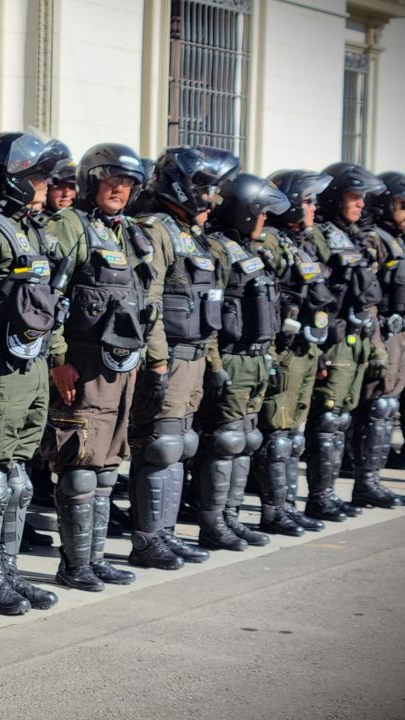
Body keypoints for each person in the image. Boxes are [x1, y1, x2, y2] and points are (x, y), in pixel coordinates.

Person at [0, 130, 69, 615]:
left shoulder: (33, 230)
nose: (46, 184)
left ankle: (10, 575)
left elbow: (48, 307)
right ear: (14, 179)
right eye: (38, 176)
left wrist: (57, 358)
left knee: (20, 480)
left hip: (32, 366)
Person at [41, 142, 151, 591]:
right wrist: (59, 359)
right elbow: (47, 296)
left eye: (126, 184)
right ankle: (74, 565)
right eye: (112, 181)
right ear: (92, 180)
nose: (119, 190)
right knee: (81, 464)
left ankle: (95, 557)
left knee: (107, 467)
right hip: (82, 365)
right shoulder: (70, 225)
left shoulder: (126, 231)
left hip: (120, 367)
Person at [129, 145, 240, 570]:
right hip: (171, 355)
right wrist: (157, 363)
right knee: (161, 446)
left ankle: (165, 535)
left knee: (182, 445)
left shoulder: (193, 233)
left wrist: (213, 365)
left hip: (194, 355)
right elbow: (150, 302)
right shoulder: (155, 228)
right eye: (202, 187)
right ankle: (147, 541)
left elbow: (208, 304)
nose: (208, 197)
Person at [195, 173, 290, 550]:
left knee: (248, 439)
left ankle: (231, 517)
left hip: (255, 359)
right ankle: (212, 520)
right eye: (261, 213)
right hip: (232, 360)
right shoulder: (218, 250)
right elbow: (211, 315)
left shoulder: (251, 250)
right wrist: (215, 366)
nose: (265, 220)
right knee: (226, 441)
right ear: (245, 212)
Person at [253, 170, 335, 534]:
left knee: (294, 434)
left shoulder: (300, 242)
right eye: (307, 200)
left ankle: (287, 505)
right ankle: (274, 512)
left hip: (306, 348)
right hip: (284, 350)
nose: (313, 207)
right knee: (277, 433)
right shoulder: (270, 240)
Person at [304, 162, 386, 521]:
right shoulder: (319, 235)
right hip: (332, 340)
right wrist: (318, 352)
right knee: (327, 420)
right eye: (354, 197)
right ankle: (319, 497)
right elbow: (315, 294)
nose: (360, 205)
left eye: (363, 199)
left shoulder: (358, 235)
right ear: (334, 197)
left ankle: (331, 494)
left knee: (342, 419)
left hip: (357, 340)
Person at [349, 171, 405, 508]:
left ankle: (373, 479)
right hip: (381, 333)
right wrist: (374, 341)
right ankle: (365, 482)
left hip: (399, 332)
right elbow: (365, 293)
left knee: (389, 405)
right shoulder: (375, 239)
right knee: (378, 405)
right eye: (402, 204)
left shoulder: (398, 238)